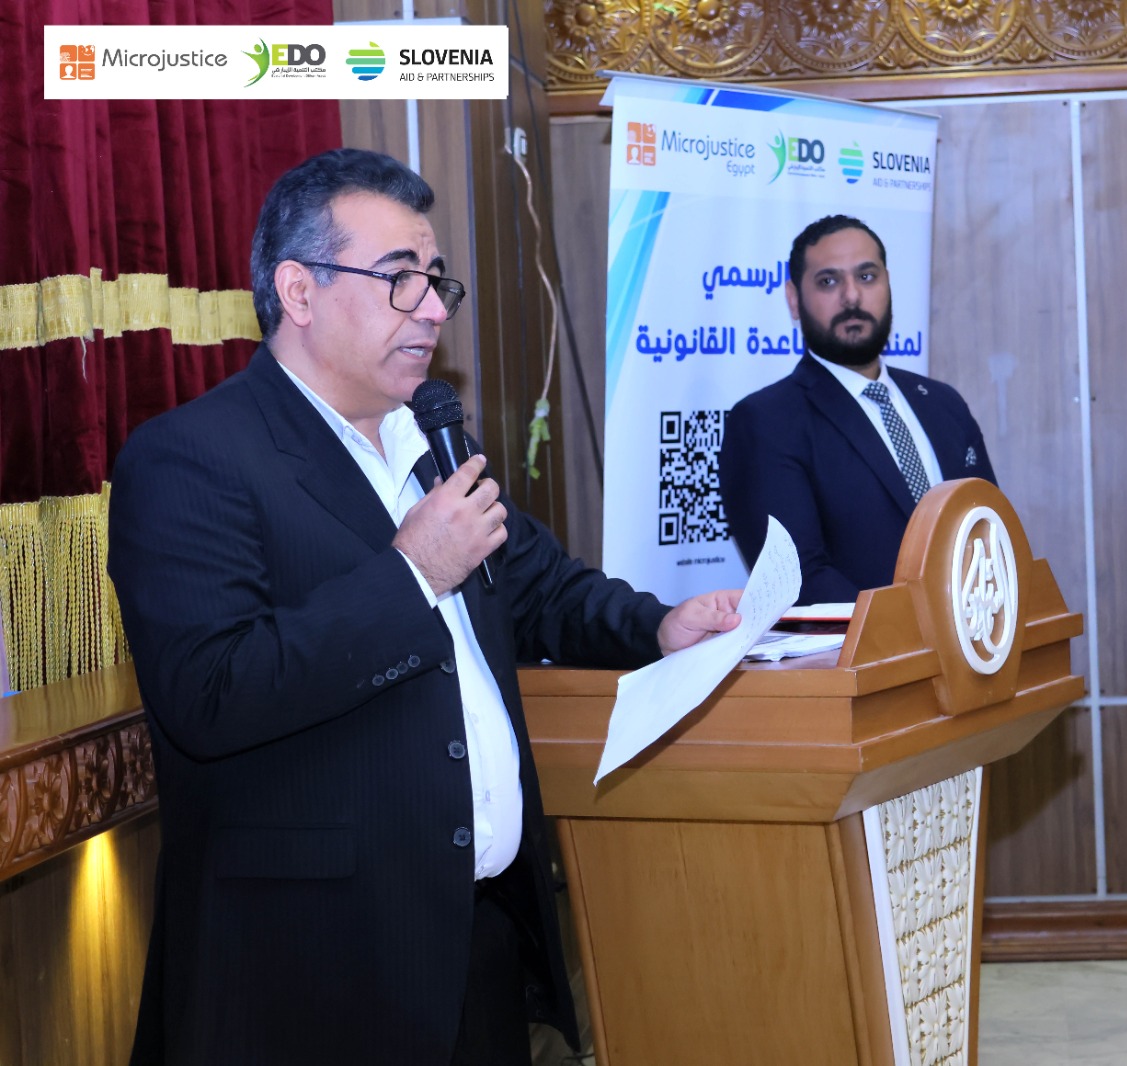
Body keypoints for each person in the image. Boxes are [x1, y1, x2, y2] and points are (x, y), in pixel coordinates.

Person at [107, 148, 741, 1066]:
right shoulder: (191, 459)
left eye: (436, 280)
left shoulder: (432, 440)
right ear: (299, 290)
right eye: (400, 278)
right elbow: (212, 693)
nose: (435, 308)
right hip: (310, 971)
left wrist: (657, 626)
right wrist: (412, 575)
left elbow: (540, 588)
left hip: (473, 941)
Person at [719, 214, 995, 604]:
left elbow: (989, 533)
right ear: (794, 299)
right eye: (828, 281)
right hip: (867, 642)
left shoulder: (943, 403)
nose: (852, 297)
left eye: (867, 277)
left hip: (977, 632)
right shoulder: (767, 422)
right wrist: (918, 629)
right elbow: (799, 580)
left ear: (888, 284)